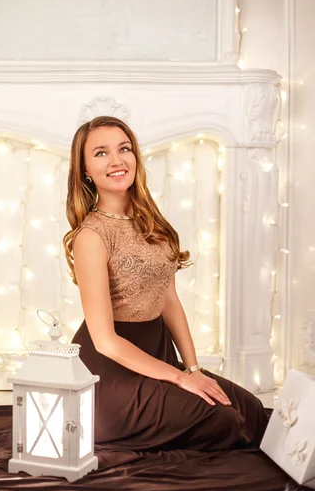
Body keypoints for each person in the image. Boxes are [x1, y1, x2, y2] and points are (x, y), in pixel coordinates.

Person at [63, 116, 269, 452]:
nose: (116, 160)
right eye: (101, 153)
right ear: (85, 169)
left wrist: (192, 368)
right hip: (109, 377)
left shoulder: (152, 223)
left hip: (157, 355)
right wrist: (178, 378)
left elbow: (169, 299)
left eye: (124, 149)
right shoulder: (91, 236)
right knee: (224, 421)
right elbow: (105, 342)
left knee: (251, 411)